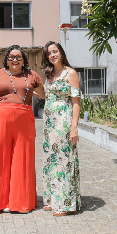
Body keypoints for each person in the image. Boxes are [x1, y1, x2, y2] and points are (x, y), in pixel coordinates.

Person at [0, 45, 43, 213]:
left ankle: (21, 202)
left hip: (25, 119)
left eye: (18, 57)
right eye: (11, 57)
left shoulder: (32, 76)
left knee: (23, 159)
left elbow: (44, 94)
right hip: (1, 118)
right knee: (0, 158)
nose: (14, 60)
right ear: (6, 59)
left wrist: (34, 92)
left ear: (24, 59)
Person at [39, 41, 81, 217]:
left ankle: (65, 204)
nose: (52, 55)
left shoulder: (70, 73)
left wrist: (74, 128)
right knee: (50, 160)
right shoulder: (49, 74)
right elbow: (47, 95)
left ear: (61, 53)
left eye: (55, 51)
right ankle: (51, 199)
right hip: (49, 125)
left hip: (63, 123)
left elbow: (76, 102)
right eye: (49, 53)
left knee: (63, 161)